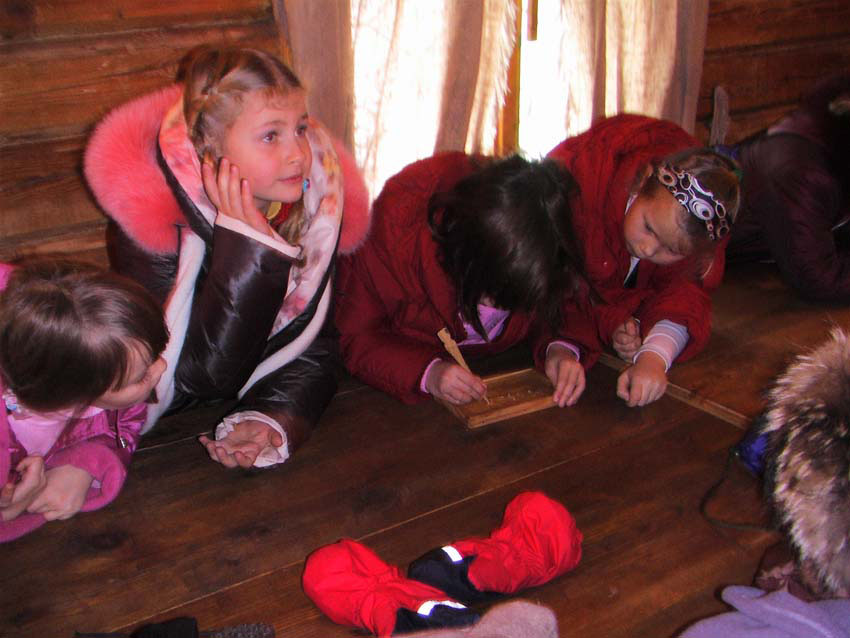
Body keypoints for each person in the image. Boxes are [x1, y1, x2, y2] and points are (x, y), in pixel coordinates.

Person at [84, 46, 370, 469]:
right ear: (210, 148)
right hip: (157, 442)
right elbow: (199, 376)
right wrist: (249, 245)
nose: (298, 153)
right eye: (270, 136)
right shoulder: (158, 227)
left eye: (301, 128)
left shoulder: (314, 211)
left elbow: (314, 346)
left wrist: (271, 418)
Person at [335, 152, 589, 407]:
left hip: (503, 366)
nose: (497, 310)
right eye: (491, 294)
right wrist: (429, 373)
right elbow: (357, 337)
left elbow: (567, 306)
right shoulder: (389, 236)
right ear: (465, 253)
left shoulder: (546, 237)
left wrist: (560, 349)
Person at [547, 114, 740, 407]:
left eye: (671, 250)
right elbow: (560, 283)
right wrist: (567, 344)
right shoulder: (581, 193)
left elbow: (684, 295)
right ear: (642, 182)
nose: (648, 249)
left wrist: (654, 356)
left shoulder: (693, 248)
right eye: (648, 227)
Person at [0, 257, 168, 542]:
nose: (161, 367)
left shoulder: (97, 366)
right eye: (140, 377)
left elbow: (122, 423)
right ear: (71, 393)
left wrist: (84, 463)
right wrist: (8, 511)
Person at [718, 74, 850, 303]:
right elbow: (820, 279)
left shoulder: (830, 136)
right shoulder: (802, 172)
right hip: (700, 277)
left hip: (759, 270)